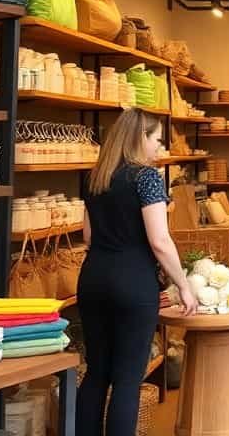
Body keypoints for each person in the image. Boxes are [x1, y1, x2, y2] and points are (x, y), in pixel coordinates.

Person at [77, 109, 197, 435]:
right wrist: (183, 284)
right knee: (128, 379)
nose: (159, 149)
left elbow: (88, 236)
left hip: (93, 279)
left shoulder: (95, 176)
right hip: (132, 281)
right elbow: (159, 240)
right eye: (157, 140)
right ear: (139, 138)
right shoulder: (146, 178)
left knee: (97, 372)